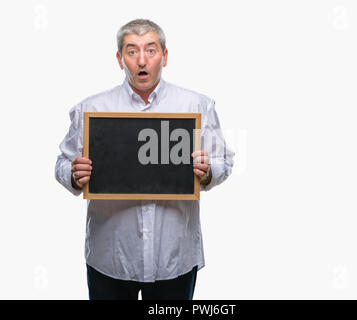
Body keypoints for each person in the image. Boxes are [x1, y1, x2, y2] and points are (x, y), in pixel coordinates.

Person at [55, 19, 234, 300]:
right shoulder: (91, 108)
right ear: (119, 58)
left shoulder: (196, 105)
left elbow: (224, 160)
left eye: (150, 51)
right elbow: (62, 163)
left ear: (164, 56)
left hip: (174, 258)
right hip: (111, 257)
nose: (141, 60)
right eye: (132, 51)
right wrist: (74, 175)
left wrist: (208, 170)